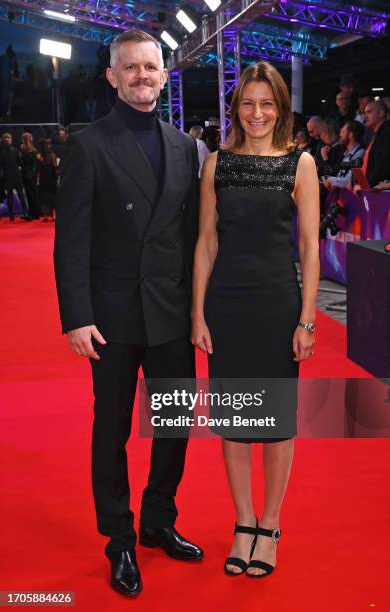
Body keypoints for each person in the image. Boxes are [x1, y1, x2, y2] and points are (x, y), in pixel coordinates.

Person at [54, 29, 202, 598]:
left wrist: (199, 309)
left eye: (151, 67)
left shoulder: (185, 145)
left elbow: (190, 236)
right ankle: (118, 538)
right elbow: (72, 239)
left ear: (165, 75)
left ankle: (158, 520)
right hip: (112, 318)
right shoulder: (90, 145)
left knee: (173, 424)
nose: (143, 76)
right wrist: (76, 315)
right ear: (112, 77)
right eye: (131, 68)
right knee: (111, 430)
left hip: (168, 312)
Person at [192, 61, 319, 578]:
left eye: (267, 103)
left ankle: (270, 524)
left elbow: (311, 248)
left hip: (276, 306)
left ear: (281, 108)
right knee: (235, 423)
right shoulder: (216, 164)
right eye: (248, 102)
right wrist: (197, 312)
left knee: (275, 423)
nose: (257, 113)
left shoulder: (300, 165)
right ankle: (242, 521)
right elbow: (206, 241)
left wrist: (307, 320)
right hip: (226, 305)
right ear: (236, 108)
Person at [354, 99, 390, 192]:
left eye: (369, 112)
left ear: (380, 113)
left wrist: (367, 185)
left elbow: (383, 164)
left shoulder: (387, 133)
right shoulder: (378, 135)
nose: (365, 116)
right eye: (364, 113)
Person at [323, 120, 365, 190]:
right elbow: (340, 176)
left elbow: (349, 181)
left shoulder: (360, 153)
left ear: (350, 135)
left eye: (343, 132)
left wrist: (331, 180)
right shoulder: (346, 153)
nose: (340, 135)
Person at [0, 132, 30, 221]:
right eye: (7, 139)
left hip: (7, 175)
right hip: (16, 175)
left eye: (9, 138)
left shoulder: (1, 153)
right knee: (19, 194)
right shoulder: (15, 150)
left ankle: (12, 215)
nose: (9, 140)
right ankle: (25, 212)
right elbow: (20, 163)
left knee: (10, 195)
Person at [19, 132, 40, 219]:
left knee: (29, 194)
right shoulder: (35, 150)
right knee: (34, 193)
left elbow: (21, 162)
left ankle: (32, 213)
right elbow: (38, 161)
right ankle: (35, 213)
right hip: (33, 174)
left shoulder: (23, 150)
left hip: (26, 174)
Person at [37, 138, 58, 221]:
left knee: (44, 198)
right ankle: (54, 215)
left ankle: (45, 216)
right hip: (52, 179)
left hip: (43, 180)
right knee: (53, 197)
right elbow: (55, 168)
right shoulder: (52, 155)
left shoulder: (39, 156)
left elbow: (37, 169)